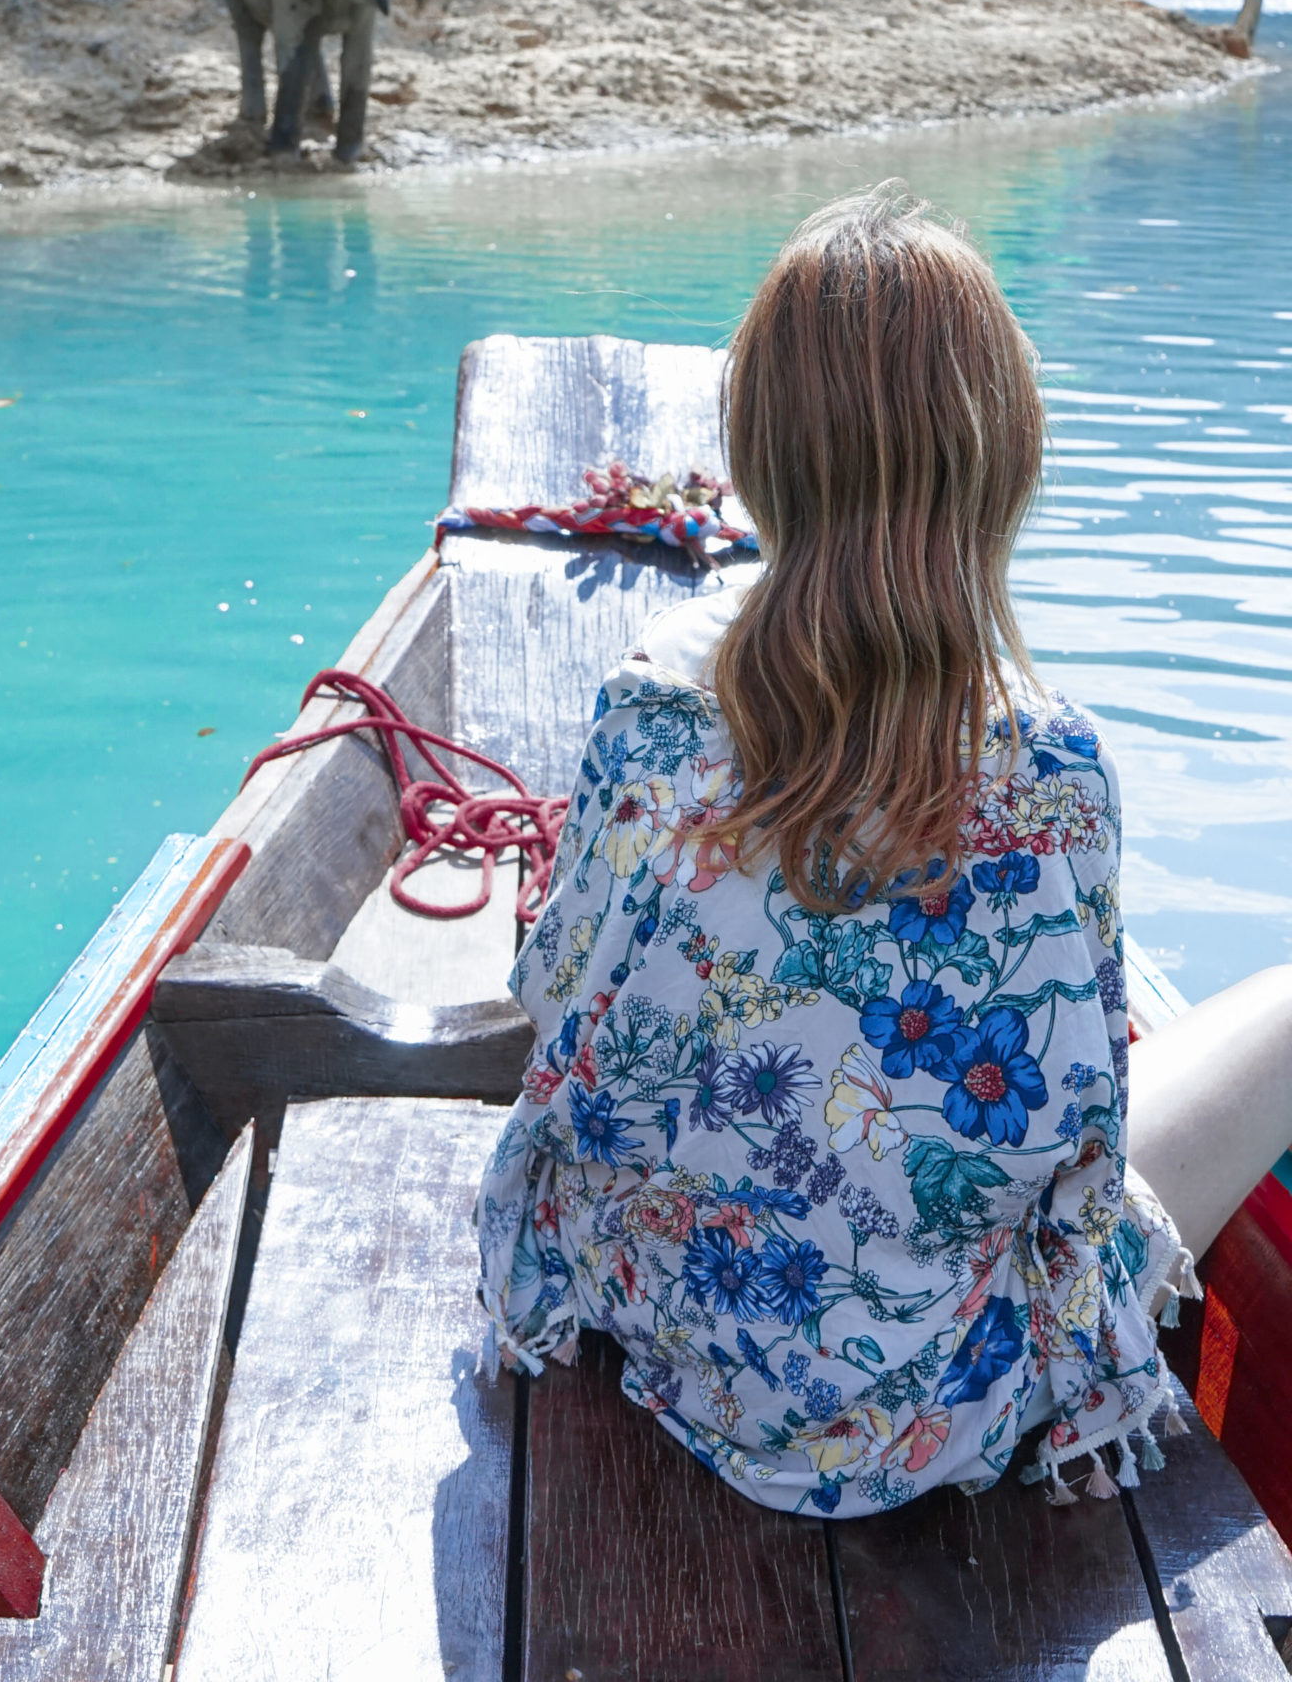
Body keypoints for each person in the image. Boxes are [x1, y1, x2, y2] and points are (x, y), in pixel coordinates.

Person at [475, 184, 1289, 1516]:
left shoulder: (644, 714)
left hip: (660, 1325)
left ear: (760, 458)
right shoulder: (1054, 772)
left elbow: (551, 1008)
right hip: (930, 1417)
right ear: (1005, 460)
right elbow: (1073, 1157)